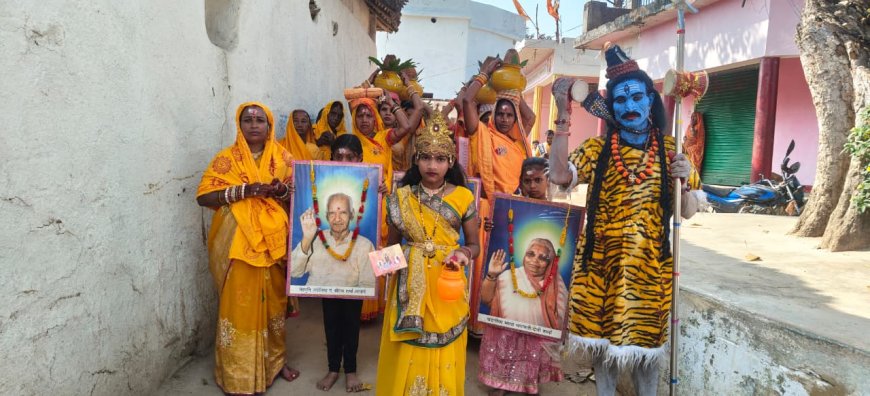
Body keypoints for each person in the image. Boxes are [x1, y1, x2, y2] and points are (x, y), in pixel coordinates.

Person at [549, 44, 701, 396]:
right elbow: (558, 174)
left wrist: (684, 176)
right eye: (620, 100)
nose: (629, 106)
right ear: (612, 108)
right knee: (603, 351)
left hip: (649, 271)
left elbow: (688, 211)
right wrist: (562, 113)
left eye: (636, 98)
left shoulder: (669, 151)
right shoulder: (598, 149)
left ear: (650, 102)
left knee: (646, 356)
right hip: (600, 268)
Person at [195, 102, 299, 394]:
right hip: (238, 244)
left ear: (269, 126)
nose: (254, 125)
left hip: (273, 243)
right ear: (239, 125)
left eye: (260, 120)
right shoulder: (226, 159)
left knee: (273, 305)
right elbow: (203, 197)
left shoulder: (283, 158)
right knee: (238, 307)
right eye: (247, 120)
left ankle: (277, 363)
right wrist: (244, 191)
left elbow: (302, 192)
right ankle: (237, 374)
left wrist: (281, 190)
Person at [375, 112, 480, 396]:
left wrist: (462, 254)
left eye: (440, 158)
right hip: (410, 287)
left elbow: (475, 245)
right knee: (410, 347)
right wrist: (378, 263)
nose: (432, 165)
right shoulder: (401, 197)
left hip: (448, 282)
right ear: (416, 160)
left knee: (444, 344)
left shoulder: (463, 197)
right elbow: (393, 247)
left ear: (450, 162)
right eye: (426, 157)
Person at [291, 190, 376, 392]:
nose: (337, 219)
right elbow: (295, 272)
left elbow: (368, 281)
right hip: (328, 295)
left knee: (351, 330)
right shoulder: (315, 239)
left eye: (343, 213)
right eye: (332, 213)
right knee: (332, 329)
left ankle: (351, 371)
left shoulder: (364, 245)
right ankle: (332, 370)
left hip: (353, 297)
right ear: (326, 216)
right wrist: (306, 238)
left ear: (352, 214)